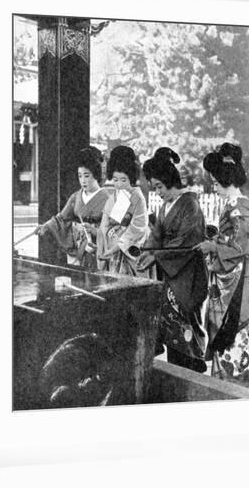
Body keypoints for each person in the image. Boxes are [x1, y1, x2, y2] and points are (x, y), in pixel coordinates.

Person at [194, 143, 249, 389]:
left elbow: (240, 247)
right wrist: (215, 241)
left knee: (234, 328)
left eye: (215, 183)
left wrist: (214, 247)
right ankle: (224, 379)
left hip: (237, 278)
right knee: (224, 326)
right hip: (229, 274)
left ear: (226, 180)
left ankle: (238, 383)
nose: (213, 188)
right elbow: (232, 241)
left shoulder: (241, 208)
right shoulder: (236, 205)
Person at [137, 147, 208, 373]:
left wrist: (156, 255)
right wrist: (146, 252)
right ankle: (177, 369)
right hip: (170, 272)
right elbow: (156, 236)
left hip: (187, 272)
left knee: (185, 317)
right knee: (170, 321)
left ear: (170, 181)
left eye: (159, 186)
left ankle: (193, 368)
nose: (157, 192)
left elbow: (187, 242)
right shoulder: (165, 208)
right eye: (154, 187)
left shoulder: (190, 205)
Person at [35, 147, 110, 270]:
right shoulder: (76, 197)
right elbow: (61, 219)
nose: (83, 181)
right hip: (78, 248)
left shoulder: (107, 198)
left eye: (87, 176)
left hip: (98, 247)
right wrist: (46, 226)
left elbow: (114, 228)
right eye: (80, 176)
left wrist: (95, 231)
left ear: (96, 175)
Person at [97, 146, 148, 275]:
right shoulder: (115, 195)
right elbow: (106, 224)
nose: (119, 184)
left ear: (131, 176)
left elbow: (138, 227)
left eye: (123, 180)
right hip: (113, 247)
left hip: (130, 250)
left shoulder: (137, 196)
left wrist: (114, 248)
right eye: (115, 180)